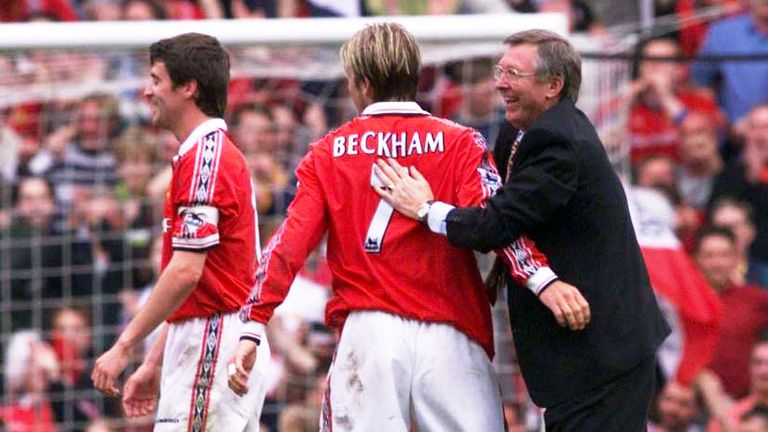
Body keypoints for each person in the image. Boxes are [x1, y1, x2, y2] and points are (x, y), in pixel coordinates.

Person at [228, 22, 573, 431]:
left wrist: (253, 323)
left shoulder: (328, 152)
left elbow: (288, 246)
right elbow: (498, 221)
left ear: (362, 84)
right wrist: (543, 280)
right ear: (413, 78)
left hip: (370, 335)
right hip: (452, 333)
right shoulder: (461, 142)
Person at [374, 29, 670, 430]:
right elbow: (508, 212)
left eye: (513, 73)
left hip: (602, 352)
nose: (500, 82)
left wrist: (425, 209)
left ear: (553, 86)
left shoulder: (560, 141)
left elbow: (494, 224)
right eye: (500, 70)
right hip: (579, 352)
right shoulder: (521, 130)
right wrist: (505, 268)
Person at [90, 32, 270, 431]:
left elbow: (188, 272)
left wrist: (125, 346)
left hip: (214, 338)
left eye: (156, 79)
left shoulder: (207, 158)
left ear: (188, 88)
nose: (147, 90)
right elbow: (197, 281)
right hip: (205, 335)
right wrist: (155, 361)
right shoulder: (199, 155)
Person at [693, 226, 768, 398]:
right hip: (690, 405)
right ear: (696, 259)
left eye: (724, 255)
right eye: (709, 255)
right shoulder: (682, 303)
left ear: (736, 259)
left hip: (746, 407)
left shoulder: (755, 298)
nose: (717, 263)